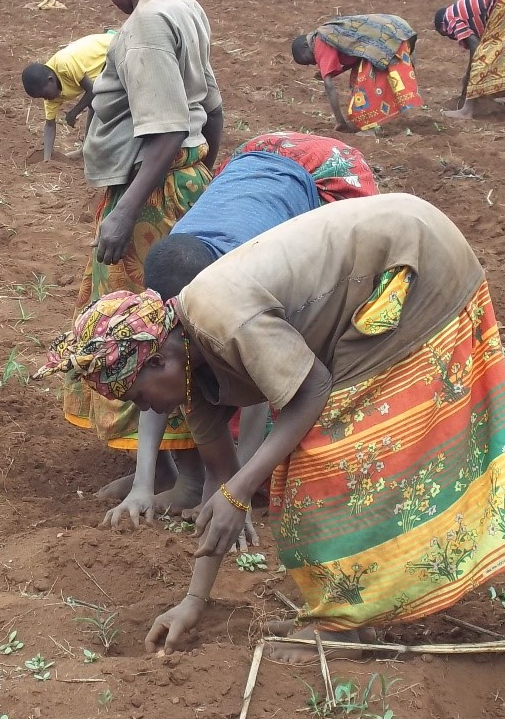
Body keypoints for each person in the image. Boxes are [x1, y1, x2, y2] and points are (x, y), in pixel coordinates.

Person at [37, 193, 505, 662]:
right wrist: (193, 601)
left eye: (139, 397)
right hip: (391, 265)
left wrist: (242, 489)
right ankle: (351, 617)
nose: (148, 409)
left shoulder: (219, 316)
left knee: (321, 459)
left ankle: (341, 629)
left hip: (415, 264)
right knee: (302, 461)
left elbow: (311, 393)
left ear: (158, 361)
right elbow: (221, 486)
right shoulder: (191, 375)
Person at [104, 132, 379, 528]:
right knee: (200, 371)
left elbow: (256, 379)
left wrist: (237, 491)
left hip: (322, 169)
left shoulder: (236, 297)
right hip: (254, 157)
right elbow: (147, 372)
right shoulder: (167, 288)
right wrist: (142, 487)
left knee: (313, 340)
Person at [62, 0, 224, 502]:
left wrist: (126, 211)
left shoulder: (146, 26)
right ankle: (157, 468)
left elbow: (162, 130)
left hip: (150, 193)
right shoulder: (184, 6)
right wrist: (203, 171)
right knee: (166, 320)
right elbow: (212, 105)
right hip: (177, 182)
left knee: (142, 331)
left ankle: (182, 476)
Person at [291, 15, 422, 134]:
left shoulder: (320, 41)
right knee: (358, 77)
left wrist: (340, 122)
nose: (314, 63)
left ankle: (368, 127)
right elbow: (354, 56)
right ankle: (375, 122)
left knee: (364, 86)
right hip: (398, 31)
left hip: (390, 39)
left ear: (305, 46)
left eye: (309, 60)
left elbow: (329, 85)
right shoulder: (327, 33)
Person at [21, 31, 115, 161]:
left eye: (44, 95)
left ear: (50, 80)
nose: (45, 99)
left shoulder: (64, 64)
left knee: (103, 103)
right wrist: (46, 159)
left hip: (113, 49)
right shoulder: (50, 96)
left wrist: (74, 112)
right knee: (94, 103)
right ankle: (85, 151)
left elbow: (92, 90)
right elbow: (49, 125)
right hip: (101, 70)